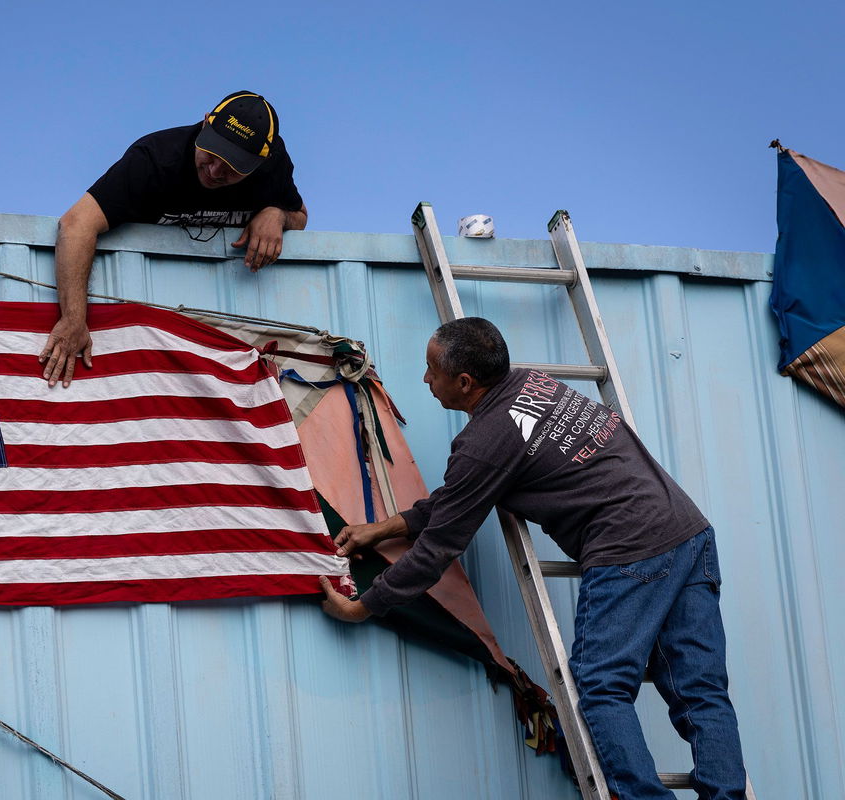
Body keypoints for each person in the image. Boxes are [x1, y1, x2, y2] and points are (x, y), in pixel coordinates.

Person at [318, 317, 747, 800]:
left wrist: (364, 605)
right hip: (688, 533)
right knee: (701, 691)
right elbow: (462, 497)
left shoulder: (482, 442)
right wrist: (383, 528)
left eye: (430, 369)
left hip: (630, 550)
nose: (424, 379)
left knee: (602, 685)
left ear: (464, 382)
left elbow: (440, 547)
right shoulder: (533, 384)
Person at [39, 91, 308, 386]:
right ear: (206, 123)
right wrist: (74, 320)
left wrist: (277, 215)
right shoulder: (155, 158)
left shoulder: (273, 165)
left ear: (260, 161)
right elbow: (76, 224)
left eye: (233, 167)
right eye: (212, 153)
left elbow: (300, 216)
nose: (215, 171)